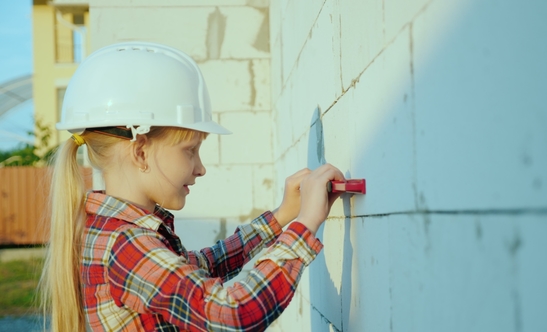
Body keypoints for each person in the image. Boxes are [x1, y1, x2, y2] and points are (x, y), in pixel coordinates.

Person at [38, 41, 344, 332]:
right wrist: (305, 225)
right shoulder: (127, 244)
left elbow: (199, 267)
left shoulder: (113, 231)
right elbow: (232, 314)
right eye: (190, 150)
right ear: (141, 151)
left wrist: (280, 217)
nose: (200, 168)